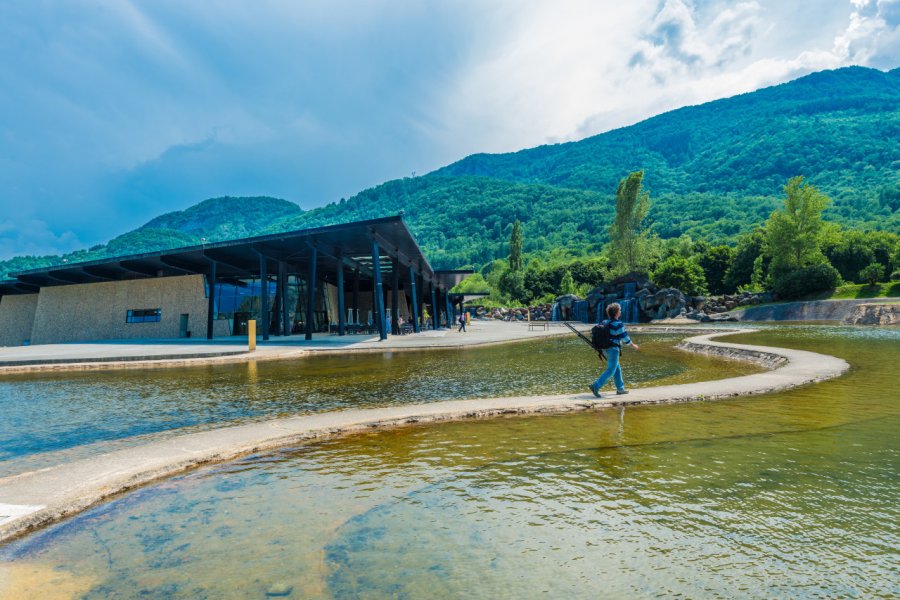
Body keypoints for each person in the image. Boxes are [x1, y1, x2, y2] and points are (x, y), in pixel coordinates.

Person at [590, 302, 639, 398]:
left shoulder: (604, 322)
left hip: (604, 349)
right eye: (619, 310)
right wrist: (633, 345)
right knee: (611, 370)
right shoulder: (618, 324)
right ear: (616, 312)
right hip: (613, 349)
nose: (621, 311)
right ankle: (595, 386)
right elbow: (624, 337)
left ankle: (620, 389)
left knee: (617, 368)